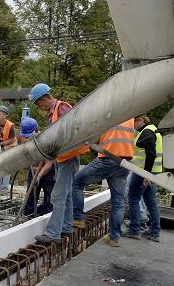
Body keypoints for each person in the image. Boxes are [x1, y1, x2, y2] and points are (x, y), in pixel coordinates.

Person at [30, 83, 89, 245]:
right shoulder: (53, 112)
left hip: (68, 158)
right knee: (67, 195)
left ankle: (53, 233)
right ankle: (66, 227)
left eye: (37, 102)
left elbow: (71, 131)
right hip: (63, 158)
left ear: (44, 98)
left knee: (58, 196)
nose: (38, 106)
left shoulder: (62, 108)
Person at [72, 119, 136, 247]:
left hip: (107, 158)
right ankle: (114, 237)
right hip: (125, 162)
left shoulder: (108, 112)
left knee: (76, 182)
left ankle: (78, 218)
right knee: (118, 201)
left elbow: (95, 140)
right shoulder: (130, 115)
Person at [124, 115, 162, 242]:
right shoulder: (153, 130)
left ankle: (134, 230)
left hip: (142, 172)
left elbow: (151, 154)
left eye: (135, 122)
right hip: (152, 172)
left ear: (142, 121)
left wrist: (146, 175)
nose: (134, 125)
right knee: (151, 201)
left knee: (133, 199)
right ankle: (154, 232)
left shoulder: (147, 132)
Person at [19, 117, 55, 217]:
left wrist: (39, 176)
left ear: (36, 130)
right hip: (33, 169)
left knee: (50, 197)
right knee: (30, 196)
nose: (27, 139)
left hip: (48, 172)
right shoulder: (23, 136)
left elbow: (49, 163)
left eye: (28, 136)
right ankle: (28, 216)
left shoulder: (46, 141)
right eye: (25, 137)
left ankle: (47, 217)